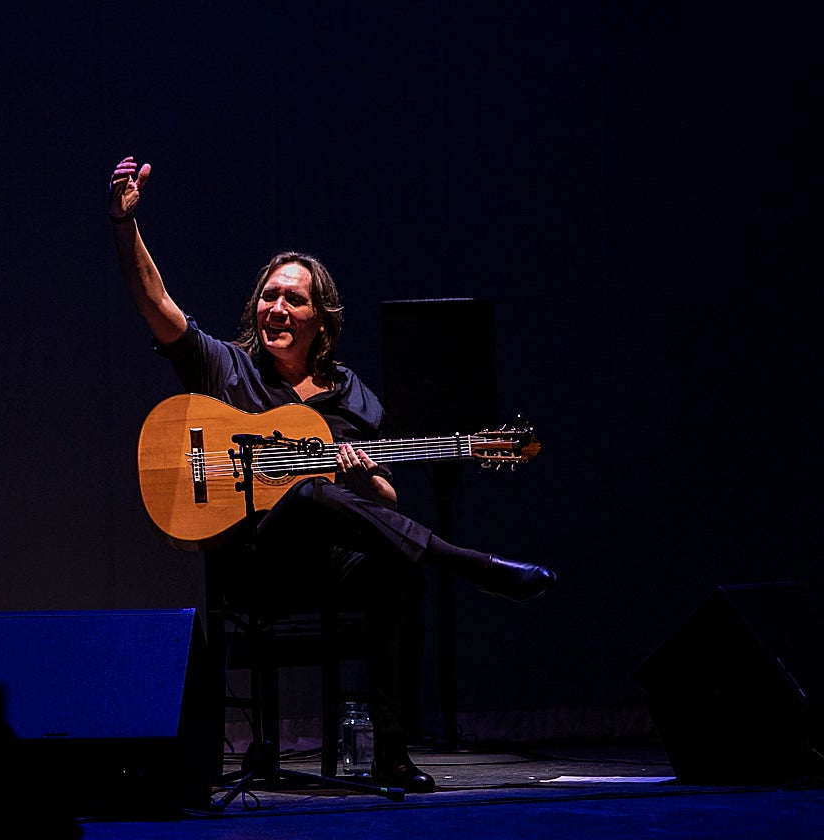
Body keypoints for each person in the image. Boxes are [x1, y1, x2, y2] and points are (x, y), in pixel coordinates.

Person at [108, 155, 555, 793]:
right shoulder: (225, 370)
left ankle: (392, 754)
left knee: (395, 567)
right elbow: (152, 300)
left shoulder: (349, 394)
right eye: (269, 295)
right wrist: (124, 224)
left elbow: (386, 499)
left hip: (329, 560)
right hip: (257, 558)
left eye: (295, 298)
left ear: (322, 319)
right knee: (309, 490)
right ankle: (472, 565)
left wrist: (364, 476)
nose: (278, 308)